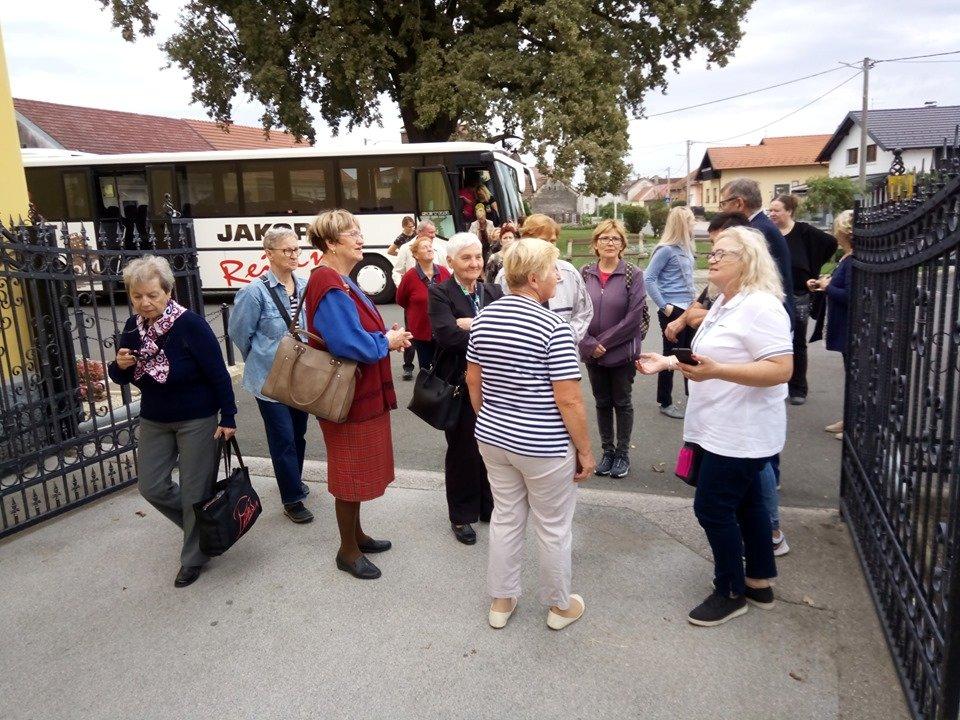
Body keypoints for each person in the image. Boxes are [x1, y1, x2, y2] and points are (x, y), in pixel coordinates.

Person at [637, 226, 793, 626]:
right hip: (718, 425)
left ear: (749, 261)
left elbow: (780, 369)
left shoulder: (761, 306)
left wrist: (719, 371)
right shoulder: (726, 302)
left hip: (740, 431)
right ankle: (758, 580)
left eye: (724, 253)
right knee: (749, 503)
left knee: (713, 508)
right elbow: (706, 357)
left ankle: (729, 591)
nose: (713, 257)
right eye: (713, 251)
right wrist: (669, 362)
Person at [467, 238, 596, 631]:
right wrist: (586, 452)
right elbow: (570, 401)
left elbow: (474, 379)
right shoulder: (553, 326)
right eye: (555, 270)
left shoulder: (484, 318)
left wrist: (490, 417)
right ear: (536, 277)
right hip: (542, 444)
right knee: (553, 525)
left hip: (493, 437)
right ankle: (559, 607)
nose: (559, 277)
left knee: (506, 517)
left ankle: (501, 602)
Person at [107, 256, 237, 588]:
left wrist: (229, 416)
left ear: (168, 291)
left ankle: (193, 557)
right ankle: (207, 526)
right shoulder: (133, 328)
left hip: (196, 417)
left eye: (152, 294)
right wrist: (120, 365)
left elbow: (218, 374)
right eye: (137, 297)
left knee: (195, 490)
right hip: (155, 417)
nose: (144, 303)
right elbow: (121, 376)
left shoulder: (189, 324)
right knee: (151, 486)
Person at [304, 209, 413, 580]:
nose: (360, 237)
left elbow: (358, 333)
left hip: (357, 393)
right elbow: (347, 343)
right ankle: (347, 552)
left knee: (358, 470)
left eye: (358, 231)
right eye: (352, 233)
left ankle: (357, 536)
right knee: (349, 473)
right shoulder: (329, 283)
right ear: (331, 243)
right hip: (347, 398)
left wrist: (384, 337)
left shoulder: (338, 279)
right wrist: (387, 340)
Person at [229, 228, 313, 524]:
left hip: (301, 376)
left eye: (296, 250)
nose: (293, 255)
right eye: (286, 251)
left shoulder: (304, 285)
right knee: (283, 439)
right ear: (269, 253)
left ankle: (295, 482)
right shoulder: (254, 292)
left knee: (299, 435)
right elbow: (239, 334)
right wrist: (263, 357)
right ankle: (292, 499)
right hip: (268, 379)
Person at [428, 232, 503, 544]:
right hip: (457, 384)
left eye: (477, 257)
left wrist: (471, 323)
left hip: (494, 384)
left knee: (491, 448)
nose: (474, 263)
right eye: (466, 258)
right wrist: (486, 327)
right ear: (450, 262)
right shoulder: (440, 292)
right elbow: (447, 336)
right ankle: (461, 516)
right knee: (462, 450)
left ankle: (487, 506)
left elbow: (506, 331)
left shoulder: (493, 290)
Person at [579, 219, 648, 478]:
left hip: (620, 353)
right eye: (604, 238)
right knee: (601, 402)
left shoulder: (633, 274)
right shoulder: (585, 272)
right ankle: (607, 452)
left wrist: (602, 343)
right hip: (592, 353)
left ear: (623, 245)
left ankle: (622, 454)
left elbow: (634, 318)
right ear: (595, 244)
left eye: (615, 239)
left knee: (622, 402)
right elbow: (578, 312)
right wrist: (587, 343)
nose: (610, 243)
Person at [768, 195, 838, 405]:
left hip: (799, 294)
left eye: (776, 210)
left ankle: (798, 387)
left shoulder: (804, 231)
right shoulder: (769, 234)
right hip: (772, 294)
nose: (772, 214)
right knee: (772, 340)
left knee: (797, 341)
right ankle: (773, 382)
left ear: (789, 211)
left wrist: (812, 267)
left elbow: (831, 243)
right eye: (770, 210)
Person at [495, 214, 593, 343]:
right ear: (525, 239)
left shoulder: (568, 272)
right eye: (542, 240)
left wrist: (565, 338)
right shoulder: (506, 275)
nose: (549, 246)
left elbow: (584, 311)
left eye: (552, 241)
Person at [644, 205, 697, 419]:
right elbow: (649, 278)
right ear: (683, 224)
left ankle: (693, 398)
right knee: (671, 356)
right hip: (673, 310)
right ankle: (665, 401)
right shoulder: (666, 249)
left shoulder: (686, 249)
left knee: (690, 353)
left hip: (689, 309)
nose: (694, 224)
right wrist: (665, 306)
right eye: (692, 220)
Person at [665, 212, 749, 343]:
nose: (711, 258)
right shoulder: (720, 285)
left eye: (720, 251)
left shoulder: (757, 296)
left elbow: (780, 363)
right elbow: (693, 316)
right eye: (712, 245)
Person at [810, 210, 853, 440]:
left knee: (855, 377)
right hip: (842, 323)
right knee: (850, 375)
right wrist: (822, 283)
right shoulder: (846, 257)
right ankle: (849, 419)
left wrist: (827, 288)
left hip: (850, 326)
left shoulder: (854, 259)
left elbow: (850, 295)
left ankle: (855, 424)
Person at [393, 220, 447, 380]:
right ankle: (409, 368)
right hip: (421, 329)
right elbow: (401, 299)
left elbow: (452, 296)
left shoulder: (443, 272)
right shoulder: (410, 275)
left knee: (444, 369)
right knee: (426, 369)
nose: (430, 247)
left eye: (431, 247)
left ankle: (444, 400)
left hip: (442, 330)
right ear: (416, 255)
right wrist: (415, 308)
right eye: (425, 247)